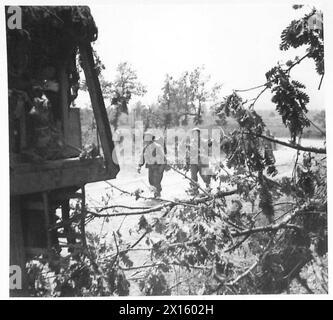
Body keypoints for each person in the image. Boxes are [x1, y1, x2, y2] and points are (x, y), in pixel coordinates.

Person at [137, 131, 166, 198]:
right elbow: (142, 158)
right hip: (150, 167)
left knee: (156, 181)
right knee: (151, 181)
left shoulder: (158, 147)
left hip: (158, 167)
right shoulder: (145, 148)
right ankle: (155, 193)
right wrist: (139, 166)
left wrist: (161, 168)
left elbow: (163, 158)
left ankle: (157, 194)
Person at [185, 127, 213, 193]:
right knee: (193, 175)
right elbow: (188, 152)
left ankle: (208, 187)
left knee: (204, 175)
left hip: (202, 161)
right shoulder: (191, 142)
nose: (195, 134)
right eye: (194, 133)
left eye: (196, 133)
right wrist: (187, 160)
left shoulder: (203, 141)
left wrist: (210, 141)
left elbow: (208, 144)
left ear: (199, 134)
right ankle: (194, 189)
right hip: (193, 161)